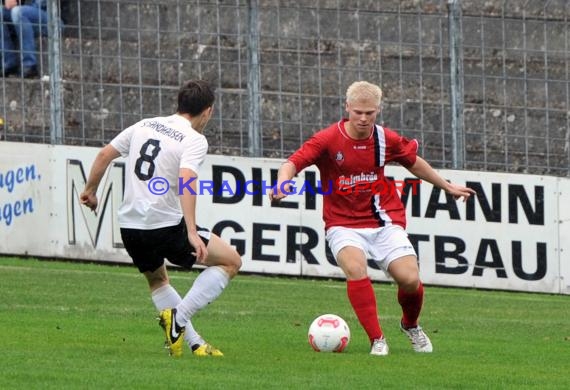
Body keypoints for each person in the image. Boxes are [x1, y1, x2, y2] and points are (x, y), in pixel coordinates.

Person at [270, 81, 475, 356]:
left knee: (410, 280)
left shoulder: (384, 138)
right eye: (358, 112)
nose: (364, 118)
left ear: (378, 110)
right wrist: (282, 183)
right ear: (347, 108)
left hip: (383, 220)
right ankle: (377, 339)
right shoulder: (328, 139)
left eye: (370, 113)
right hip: (342, 223)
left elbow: (414, 161)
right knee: (356, 269)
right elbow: (292, 162)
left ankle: (410, 325)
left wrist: (447, 186)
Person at [80, 80, 242, 358]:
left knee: (158, 281)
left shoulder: (145, 124)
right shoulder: (194, 139)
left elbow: (105, 154)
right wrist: (191, 229)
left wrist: (89, 191)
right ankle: (178, 319)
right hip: (164, 226)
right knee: (231, 261)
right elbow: (187, 179)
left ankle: (195, 344)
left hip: (130, 227)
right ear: (208, 112)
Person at [1, 0, 58, 78]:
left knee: (18, 12)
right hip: (25, 16)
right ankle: (8, 63)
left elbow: (41, 5)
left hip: (52, 20)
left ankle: (29, 65)